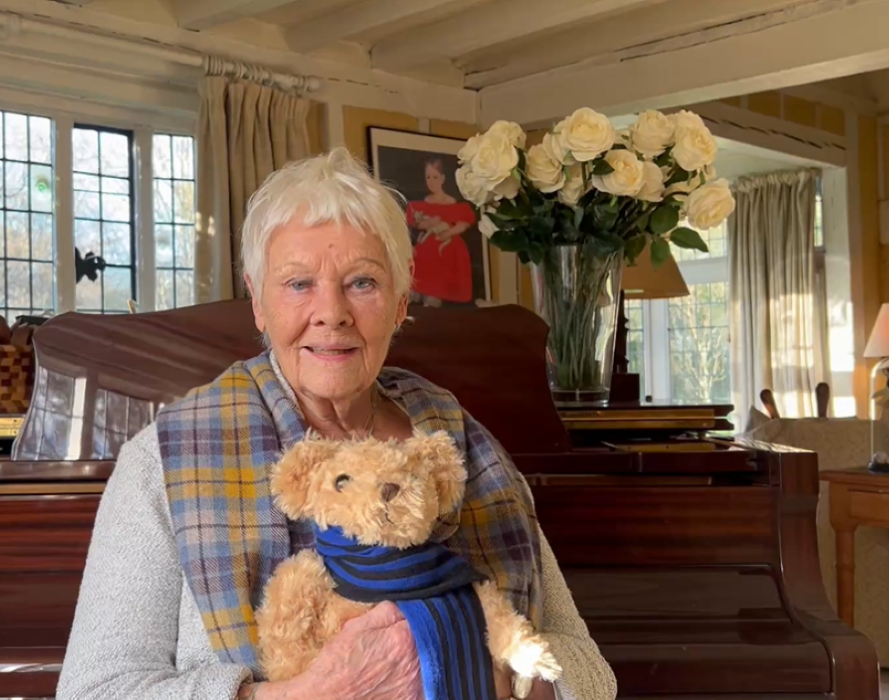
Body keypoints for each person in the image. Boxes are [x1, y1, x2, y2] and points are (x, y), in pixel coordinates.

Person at [55, 148, 617, 700]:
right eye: (299, 284)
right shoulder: (163, 460)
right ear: (258, 302)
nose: (332, 312)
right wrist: (312, 695)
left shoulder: (462, 445)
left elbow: (591, 671)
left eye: (362, 283)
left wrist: (489, 678)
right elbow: (92, 690)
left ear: (401, 299)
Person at [406, 157, 477, 306]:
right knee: (422, 252)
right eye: (428, 177)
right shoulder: (421, 205)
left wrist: (448, 233)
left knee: (446, 253)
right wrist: (431, 222)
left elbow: (463, 224)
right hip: (428, 242)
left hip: (448, 243)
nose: (431, 181)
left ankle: (435, 294)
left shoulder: (455, 205)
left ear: (443, 178)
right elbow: (418, 223)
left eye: (435, 177)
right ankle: (420, 291)